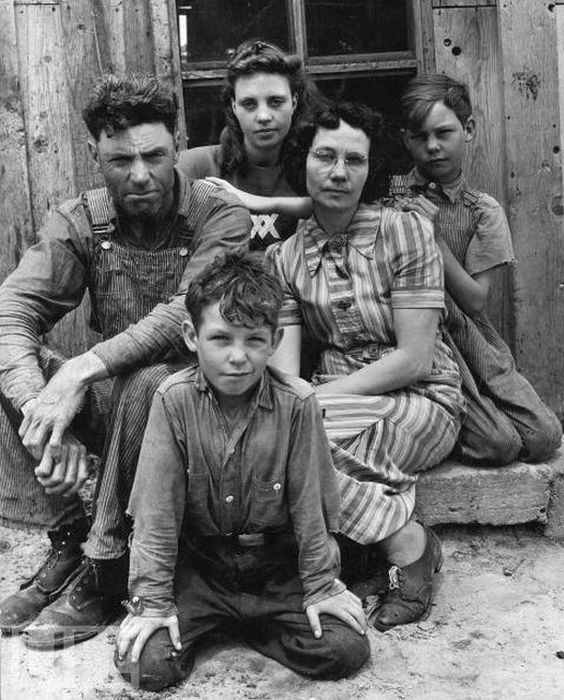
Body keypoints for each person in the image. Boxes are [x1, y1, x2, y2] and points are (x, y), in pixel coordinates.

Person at [0, 74, 250, 647]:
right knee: (19, 361)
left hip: (202, 420)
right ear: (94, 154)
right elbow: (13, 308)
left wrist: (81, 368)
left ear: (178, 143)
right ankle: (73, 534)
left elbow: (180, 316)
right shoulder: (79, 221)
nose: (139, 175)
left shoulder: (221, 216)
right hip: (121, 412)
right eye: (119, 160)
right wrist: (41, 408)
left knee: (155, 377)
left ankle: (107, 565)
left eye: (154, 156)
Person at [114, 252, 370, 692]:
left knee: (345, 648)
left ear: (276, 340)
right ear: (191, 337)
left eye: (254, 340)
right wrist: (152, 603)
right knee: (146, 666)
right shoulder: (172, 400)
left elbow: (313, 508)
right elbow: (156, 514)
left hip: (274, 567)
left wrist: (322, 586)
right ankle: (225, 619)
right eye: (220, 338)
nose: (238, 357)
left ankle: (251, 622)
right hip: (202, 568)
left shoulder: (298, 402)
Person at [265, 101, 466, 631]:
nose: (337, 172)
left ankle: (393, 551)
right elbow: (285, 371)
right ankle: (401, 540)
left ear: (371, 168)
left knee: (308, 449)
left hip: (421, 395)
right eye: (324, 156)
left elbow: (414, 357)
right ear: (302, 160)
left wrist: (314, 402)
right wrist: (298, 401)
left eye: (354, 160)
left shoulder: (406, 232)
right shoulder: (283, 259)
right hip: (329, 394)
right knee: (285, 437)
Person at [389, 73, 562, 465]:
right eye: (420, 136)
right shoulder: (389, 196)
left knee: (545, 437)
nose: (433, 146)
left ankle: (483, 412)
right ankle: (448, 426)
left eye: (444, 133)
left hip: (470, 334)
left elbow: (477, 300)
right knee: (498, 445)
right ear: (406, 139)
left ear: (467, 129)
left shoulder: (482, 210)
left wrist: (433, 238)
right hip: (417, 336)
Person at [177, 39, 318, 251]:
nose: (263, 116)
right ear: (234, 106)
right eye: (249, 104)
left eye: (276, 101)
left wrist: (258, 202)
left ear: (294, 102)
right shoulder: (198, 166)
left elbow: (350, 208)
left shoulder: (315, 166)